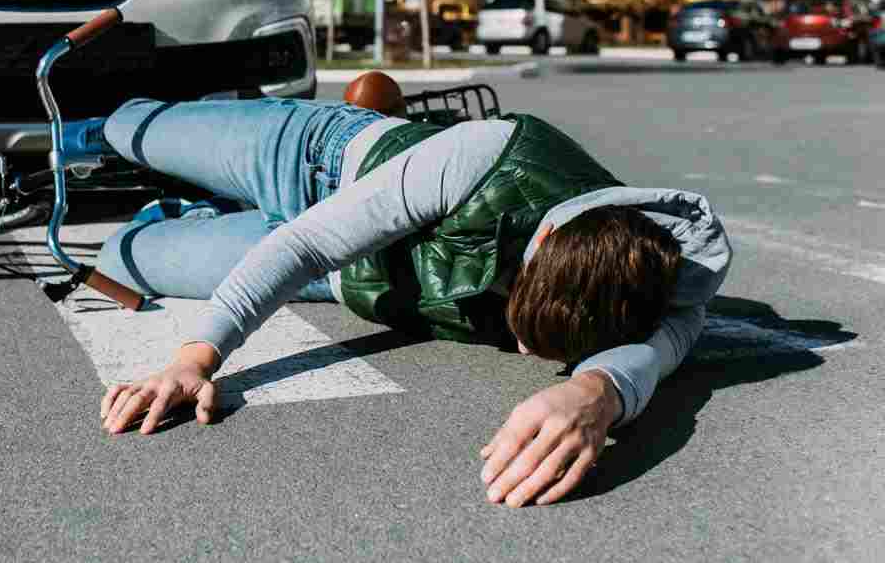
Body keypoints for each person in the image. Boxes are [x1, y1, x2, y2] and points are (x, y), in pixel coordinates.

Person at [72, 84, 730, 508]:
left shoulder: (659, 287)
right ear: (548, 230)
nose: (523, 345)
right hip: (312, 161)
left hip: (336, 274)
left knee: (122, 256)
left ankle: (195, 212)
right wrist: (194, 359)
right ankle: (80, 131)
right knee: (131, 129)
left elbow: (656, 349)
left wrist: (595, 395)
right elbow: (304, 242)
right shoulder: (497, 152)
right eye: (521, 314)